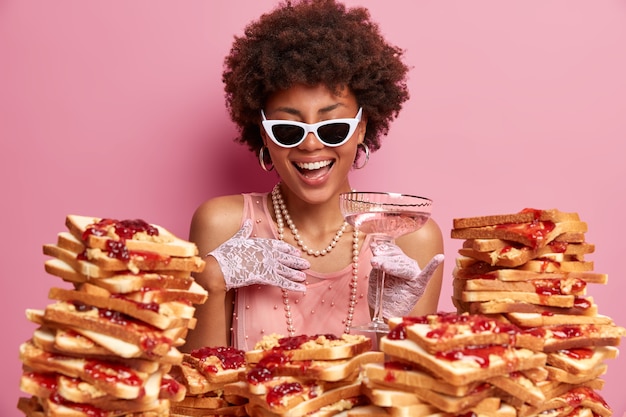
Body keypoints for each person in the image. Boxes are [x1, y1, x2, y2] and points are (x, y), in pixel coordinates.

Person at [184, 0, 444, 351]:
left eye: (333, 128)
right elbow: (200, 391)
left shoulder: (411, 236)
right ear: (263, 134)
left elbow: (406, 397)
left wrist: (395, 329)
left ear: (361, 127)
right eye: (288, 130)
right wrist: (212, 278)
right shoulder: (223, 224)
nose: (310, 145)